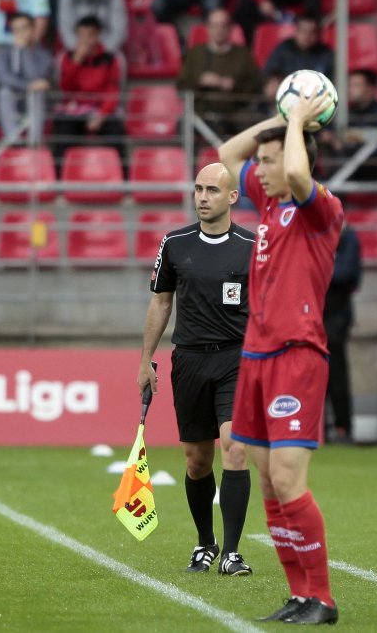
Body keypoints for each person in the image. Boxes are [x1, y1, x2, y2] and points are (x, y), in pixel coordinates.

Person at [216, 95, 344, 624]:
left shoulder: (321, 209)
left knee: (290, 480)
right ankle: (298, 595)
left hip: (297, 355)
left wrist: (294, 124)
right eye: (262, 162)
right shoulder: (268, 204)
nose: (259, 169)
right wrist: (278, 120)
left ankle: (324, 598)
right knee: (268, 484)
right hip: (255, 355)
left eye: (267, 162)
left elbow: (294, 167)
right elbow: (225, 156)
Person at [139, 163, 257, 578]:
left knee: (235, 449)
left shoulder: (252, 245)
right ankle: (205, 542)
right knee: (196, 461)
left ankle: (232, 552)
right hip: (188, 359)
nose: (203, 196)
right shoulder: (174, 243)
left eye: (212, 189)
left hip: (236, 360)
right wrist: (145, 359)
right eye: (198, 189)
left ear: (231, 197)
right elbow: (161, 303)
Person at [51, 15, 125, 173]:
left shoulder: (111, 59)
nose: (85, 40)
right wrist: (76, 62)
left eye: (89, 35)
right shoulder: (67, 57)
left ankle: (122, 178)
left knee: (115, 133)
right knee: (63, 132)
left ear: (98, 36)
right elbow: (65, 90)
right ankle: (58, 179)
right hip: (74, 110)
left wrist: (101, 115)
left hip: (101, 111)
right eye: (81, 36)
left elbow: (112, 91)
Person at [176, 8, 262, 130]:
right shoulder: (195, 53)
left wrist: (234, 85)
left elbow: (256, 86)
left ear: (230, 28)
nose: (219, 30)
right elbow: (181, 86)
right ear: (207, 27)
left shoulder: (243, 54)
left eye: (223, 25)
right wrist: (199, 80)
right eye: (214, 25)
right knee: (183, 125)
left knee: (251, 124)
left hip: (235, 113)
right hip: (201, 113)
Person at [323, 222, 361, 443]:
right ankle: (319, 428)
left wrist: (319, 268)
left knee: (336, 372)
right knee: (315, 373)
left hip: (336, 316)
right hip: (314, 314)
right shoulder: (313, 234)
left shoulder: (347, 237)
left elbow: (346, 273)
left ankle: (342, 427)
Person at [0, 12, 52, 139]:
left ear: (33, 29)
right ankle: (14, 140)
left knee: (37, 93)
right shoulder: (3, 51)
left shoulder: (44, 54)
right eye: (16, 30)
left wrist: (23, 51)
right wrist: (27, 86)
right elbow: (1, 77)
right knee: (3, 92)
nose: (20, 33)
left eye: (24, 28)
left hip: (35, 101)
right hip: (13, 99)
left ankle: (34, 142)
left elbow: (36, 77)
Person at [262, 15, 335, 81]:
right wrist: (273, 81)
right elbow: (270, 72)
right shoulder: (284, 48)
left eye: (312, 32)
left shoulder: (326, 54)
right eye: (303, 31)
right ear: (296, 31)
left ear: (319, 34)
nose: (307, 36)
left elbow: (337, 77)